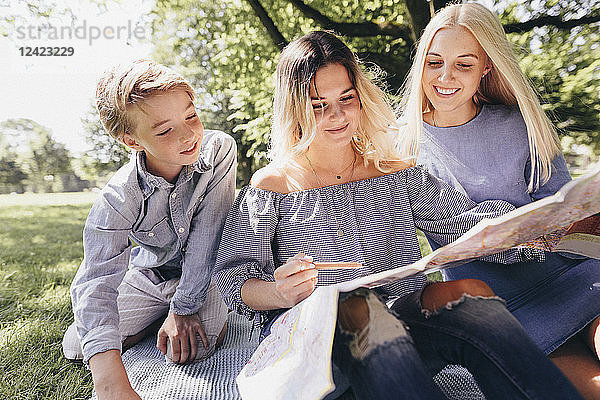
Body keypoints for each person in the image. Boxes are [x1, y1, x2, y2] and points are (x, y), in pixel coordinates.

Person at [213, 31, 583, 400]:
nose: (338, 116)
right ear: (294, 107)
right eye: (318, 104)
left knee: (471, 294)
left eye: (347, 98)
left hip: (405, 321)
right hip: (320, 345)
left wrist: (535, 228)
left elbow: (466, 225)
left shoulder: (395, 173)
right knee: (365, 310)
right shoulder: (273, 185)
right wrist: (279, 291)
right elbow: (232, 279)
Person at [398, 3, 600, 398]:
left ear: (487, 67)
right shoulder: (401, 149)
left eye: (464, 65)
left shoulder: (521, 123)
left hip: (574, 279)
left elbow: (561, 205)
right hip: (503, 309)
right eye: (434, 62)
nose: (445, 77)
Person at [62, 59, 237, 399]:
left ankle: (165, 320)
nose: (188, 134)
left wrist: (184, 308)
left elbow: (207, 236)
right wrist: (111, 382)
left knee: (191, 349)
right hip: (150, 275)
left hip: (203, 274)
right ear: (132, 141)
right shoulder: (117, 197)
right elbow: (96, 280)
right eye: (164, 130)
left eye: (191, 116)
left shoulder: (219, 151)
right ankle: (152, 320)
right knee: (79, 345)